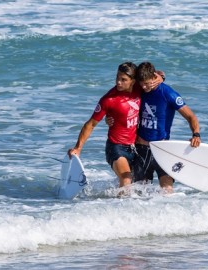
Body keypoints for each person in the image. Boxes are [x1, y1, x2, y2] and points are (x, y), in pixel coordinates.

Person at [68, 62, 163, 192]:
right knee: (126, 179)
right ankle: (118, 209)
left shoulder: (139, 89)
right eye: (117, 78)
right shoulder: (109, 100)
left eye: (123, 80)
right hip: (116, 147)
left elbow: (157, 75)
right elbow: (90, 124)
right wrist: (78, 148)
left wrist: (160, 78)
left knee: (141, 185)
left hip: (135, 148)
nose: (118, 82)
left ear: (133, 81)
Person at [133, 61, 201, 193]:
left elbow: (191, 116)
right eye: (141, 83)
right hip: (141, 149)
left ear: (154, 77)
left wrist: (196, 134)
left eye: (147, 83)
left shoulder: (168, 93)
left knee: (167, 190)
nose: (144, 87)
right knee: (138, 193)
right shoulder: (139, 89)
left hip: (162, 149)